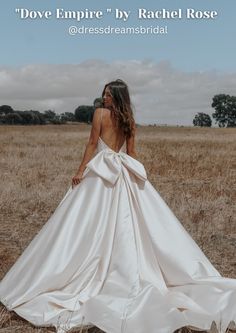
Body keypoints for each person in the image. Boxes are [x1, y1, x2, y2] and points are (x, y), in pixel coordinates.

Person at [0, 79, 235, 333]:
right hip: (120, 170)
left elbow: (92, 143)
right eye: (104, 93)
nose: (105, 98)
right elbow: (131, 154)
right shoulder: (129, 119)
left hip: (104, 171)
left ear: (118, 97)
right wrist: (135, 176)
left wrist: (81, 171)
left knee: (96, 222)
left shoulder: (100, 115)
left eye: (109, 94)